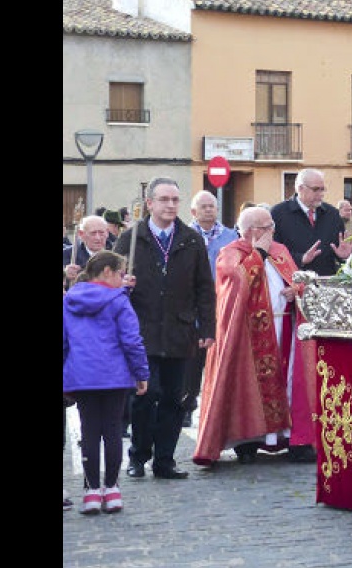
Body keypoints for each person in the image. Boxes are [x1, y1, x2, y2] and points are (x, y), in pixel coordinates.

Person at [193, 205, 320, 466]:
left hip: (285, 327)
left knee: (287, 383)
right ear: (252, 231)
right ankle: (249, 441)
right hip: (247, 334)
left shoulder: (280, 251)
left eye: (272, 227)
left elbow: (298, 279)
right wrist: (258, 253)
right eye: (267, 228)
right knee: (247, 386)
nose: (273, 232)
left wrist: (295, 289)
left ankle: (290, 438)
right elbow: (235, 283)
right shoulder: (230, 253)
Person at [114, 177, 216, 480]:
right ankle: (138, 457)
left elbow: (204, 288)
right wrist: (122, 285)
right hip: (141, 332)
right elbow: (109, 284)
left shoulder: (190, 239)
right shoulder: (131, 239)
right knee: (145, 395)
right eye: (164, 200)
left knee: (174, 398)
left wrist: (207, 327)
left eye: (175, 200)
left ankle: (165, 460)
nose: (171, 205)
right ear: (150, 204)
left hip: (180, 331)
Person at [63, 250, 150, 515]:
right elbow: (131, 340)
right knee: (112, 431)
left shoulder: (69, 301)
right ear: (107, 272)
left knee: (89, 432)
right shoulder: (118, 300)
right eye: (120, 273)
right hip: (114, 375)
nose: (123, 279)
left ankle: (90, 492)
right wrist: (141, 373)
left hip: (82, 375)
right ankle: (111, 490)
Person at [182, 190, 241, 427]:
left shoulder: (231, 236)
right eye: (203, 206)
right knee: (191, 362)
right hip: (192, 307)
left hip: (223, 305)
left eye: (212, 206)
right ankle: (186, 405)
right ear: (193, 211)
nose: (208, 210)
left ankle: (221, 410)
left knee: (221, 359)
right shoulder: (184, 235)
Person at [270, 168, 352, 277]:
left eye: (322, 189)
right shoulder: (278, 214)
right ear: (300, 189)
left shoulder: (332, 214)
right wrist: (301, 258)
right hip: (292, 284)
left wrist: (344, 257)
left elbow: (339, 251)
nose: (321, 194)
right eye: (315, 189)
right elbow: (272, 252)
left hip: (325, 284)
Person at [64, 215, 114, 289]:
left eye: (101, 233)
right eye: (93, 233)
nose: (98, 237)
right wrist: (65, 275)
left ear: (107, 233)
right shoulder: (68, 255)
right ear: (81, 234)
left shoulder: (115, 255)